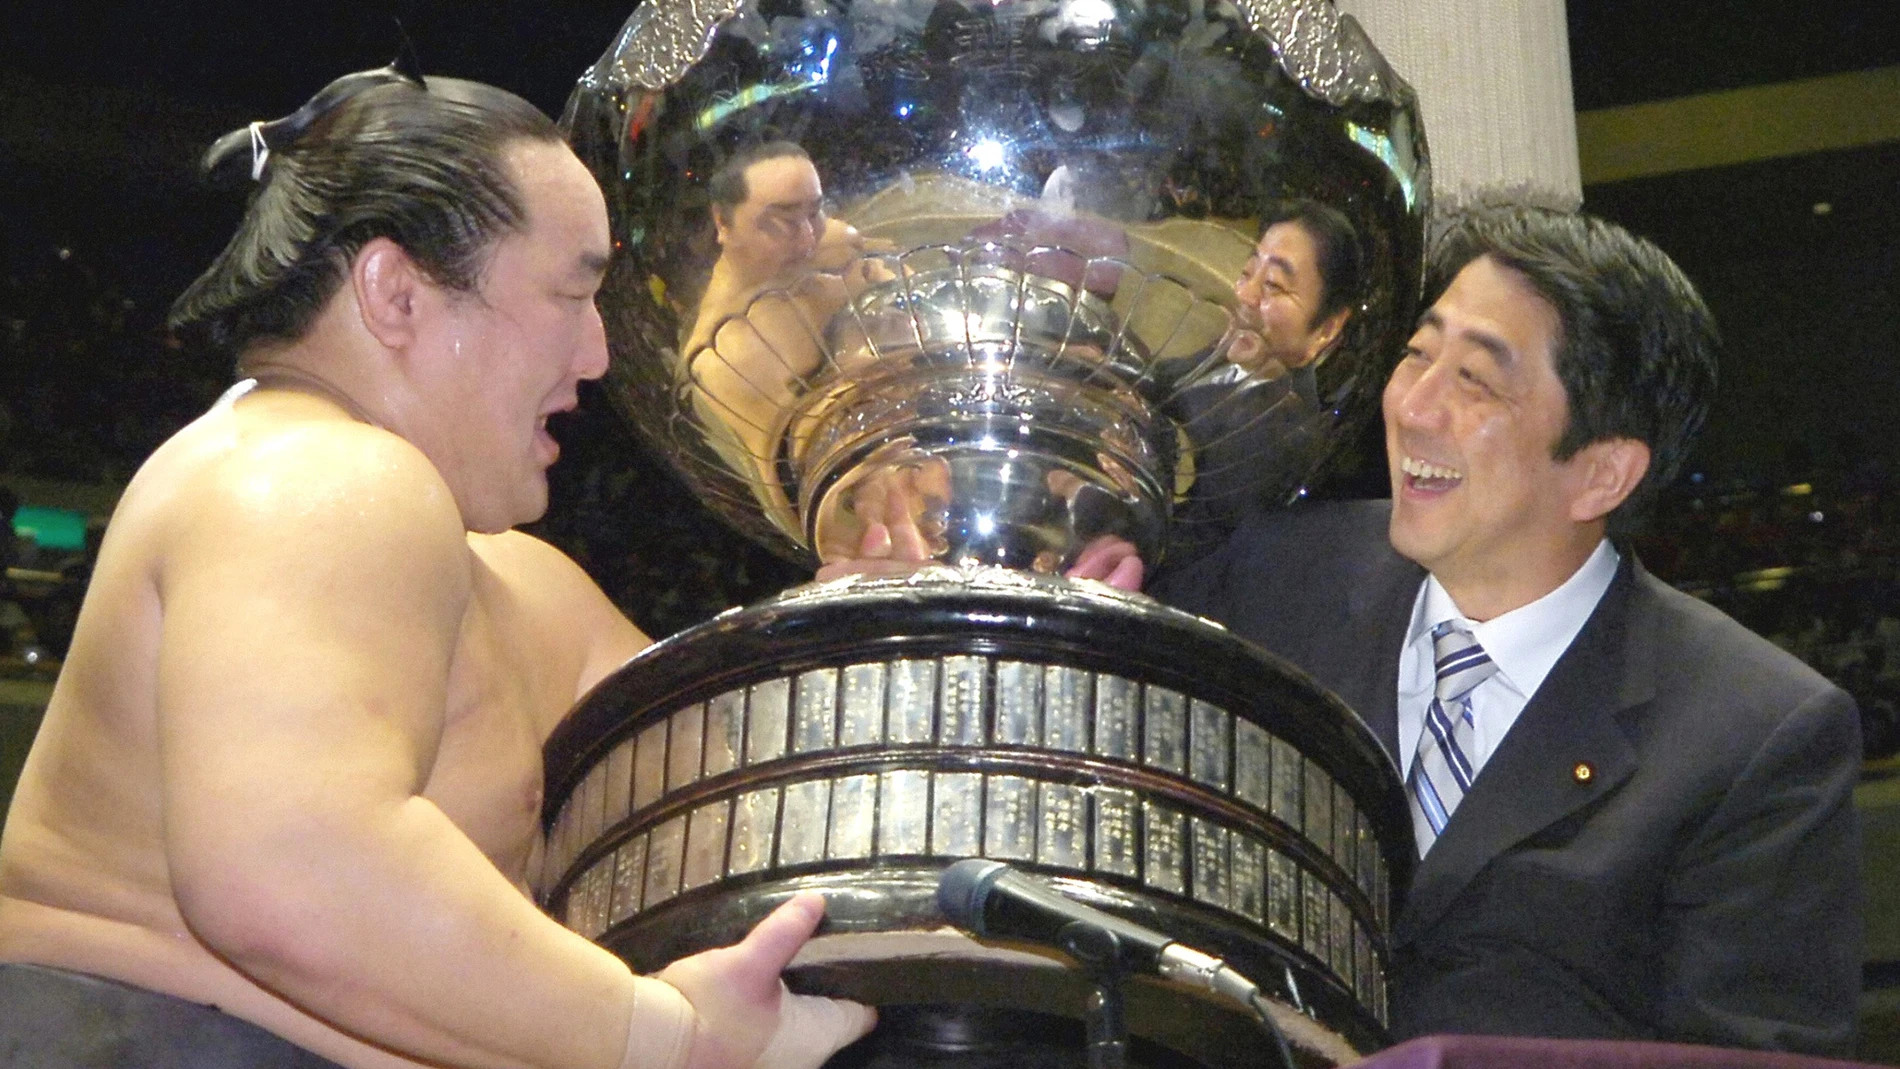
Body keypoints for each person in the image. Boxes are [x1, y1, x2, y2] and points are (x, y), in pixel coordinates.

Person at [0, 67, 874, 1069]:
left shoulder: (518, 583)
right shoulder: (313, 471)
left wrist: (889, 606)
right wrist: (662, 1038)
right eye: (570, 293)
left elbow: (728, 789)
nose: (596, 353)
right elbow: (293, 871)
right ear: (397, 292)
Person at [1148, 205, 1862, 1053]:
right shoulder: (1273, 582)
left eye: (1475, 381)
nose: (1412, 406)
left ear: (1601, 472)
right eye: (1417, 354)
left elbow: (1752, 1056)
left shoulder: (1754, 736)